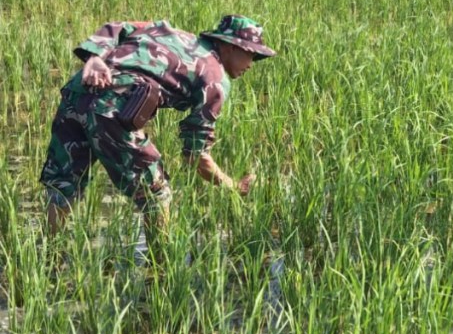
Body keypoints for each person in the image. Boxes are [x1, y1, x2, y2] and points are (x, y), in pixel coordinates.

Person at [40, 15, 276, 258]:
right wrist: (234, 186)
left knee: (64, 182)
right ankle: (160, 266)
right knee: (155, 193)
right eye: (251, 54)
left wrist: (94, 57)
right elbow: (195, 156)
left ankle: (49, 257)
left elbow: (118, 26)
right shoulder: (215, 79)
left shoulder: (166, 31)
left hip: (77, 91)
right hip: (112, 108)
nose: (252, 63)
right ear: (229, 46)